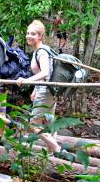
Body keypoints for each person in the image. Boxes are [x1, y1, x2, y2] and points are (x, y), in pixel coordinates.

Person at [16, 20, 65, 156]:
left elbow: (45, 73)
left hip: (47, 91)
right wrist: (35, 89)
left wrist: (26, 81)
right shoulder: (38, 51)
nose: (29, 36)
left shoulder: (42, 51)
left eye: (33, 34)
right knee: (49, 122)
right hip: (47, 90)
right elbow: (41, 75)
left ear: (40, 36)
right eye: (27, 33)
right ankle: (51, 156)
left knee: (34, 124)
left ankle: (58, 149)